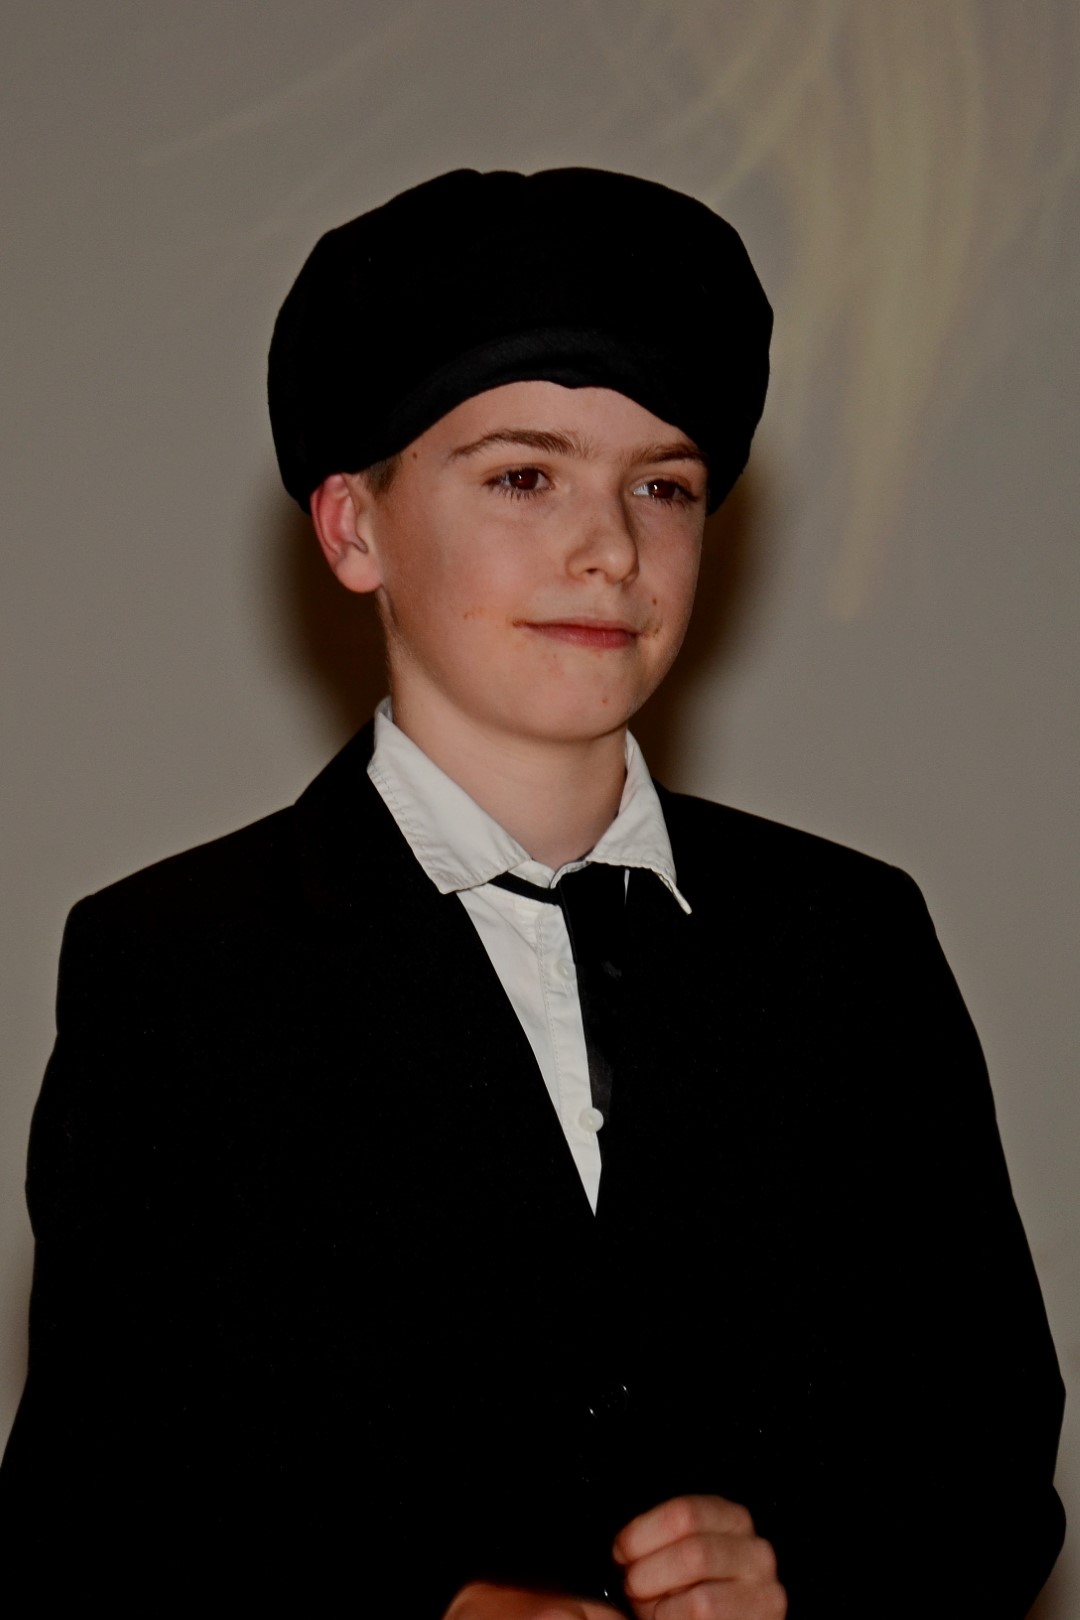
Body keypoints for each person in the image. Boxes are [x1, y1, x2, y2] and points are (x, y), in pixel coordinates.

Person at [0, 168, 1065, 1618]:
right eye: (524, 476)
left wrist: (802, 1584)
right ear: (353, 530)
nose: (610, 547)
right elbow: (95, 1517)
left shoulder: (848, 938)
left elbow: (986, 1456)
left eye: (662, 487)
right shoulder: (177, 968)